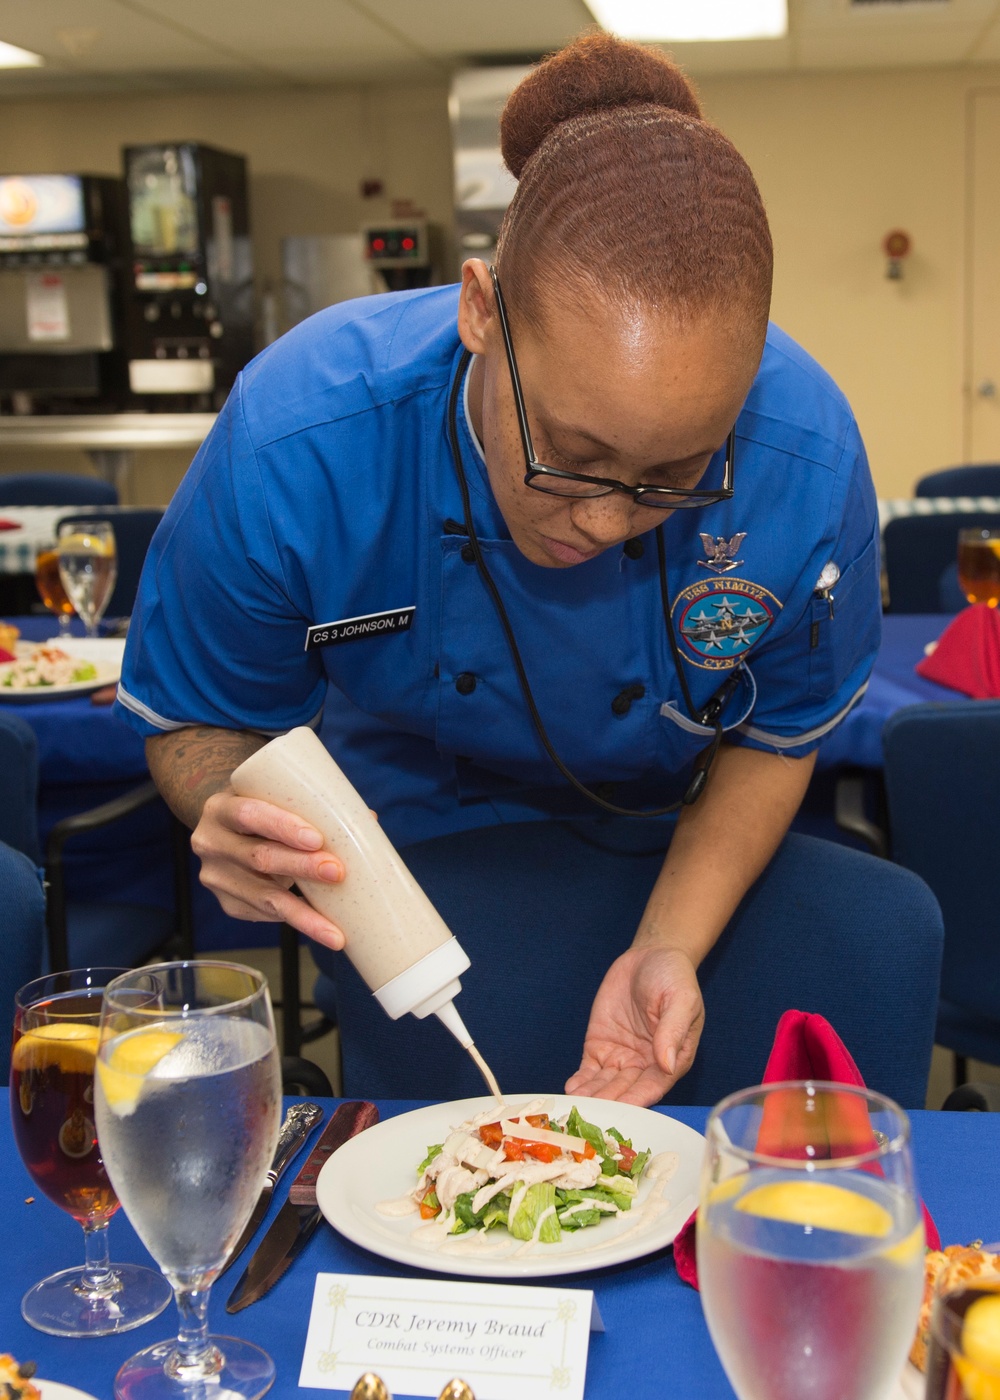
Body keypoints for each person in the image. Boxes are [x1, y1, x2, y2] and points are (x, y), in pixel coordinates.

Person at [116, 34, 880, 1106]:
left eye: (673, 473)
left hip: (687, 839)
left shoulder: (807, 457)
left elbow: (777, 730)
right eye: (570, 455)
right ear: (480, 308)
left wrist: (668, 942)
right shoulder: (300, 438)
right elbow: (200, 717)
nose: (610, 520)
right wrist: (229, 809)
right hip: (398, 865)